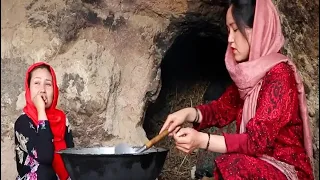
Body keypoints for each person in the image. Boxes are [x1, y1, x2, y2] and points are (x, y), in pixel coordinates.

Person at [159, 0, 314, 179]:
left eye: (235, 29)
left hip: (285, 168)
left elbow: (256, 141)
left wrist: (202, 140)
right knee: (234, 163)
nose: (230, 39)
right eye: (228, 30)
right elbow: (222, 109)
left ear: (257, 30)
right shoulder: (249, 74)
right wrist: (187, 113)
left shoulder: (280, 75)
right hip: (258, 163)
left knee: (235, 165)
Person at [14, 62, 74, 180]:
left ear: (55, 90)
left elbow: (71, 159)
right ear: (29, 89)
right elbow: (45, 156)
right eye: (37, 83)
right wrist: (41, 111)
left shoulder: (62, 119)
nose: (42, 90)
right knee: (44, 171)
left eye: (48, 84)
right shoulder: (23, 122)